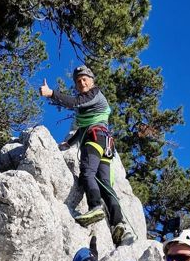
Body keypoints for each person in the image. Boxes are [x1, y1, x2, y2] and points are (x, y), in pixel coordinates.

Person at [40, 65, 132, 246]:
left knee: (87, 172)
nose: (82, 83)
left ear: (92, 81)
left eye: (85, 79)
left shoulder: (94, 94)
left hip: (95, 138)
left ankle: (95, 206)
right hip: (105, 143)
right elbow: (83, 127)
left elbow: (75, 103)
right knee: (105, 183)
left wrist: (51, 94)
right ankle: (119, 224)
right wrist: (70, 142)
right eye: (78, 81)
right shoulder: (88, 106)